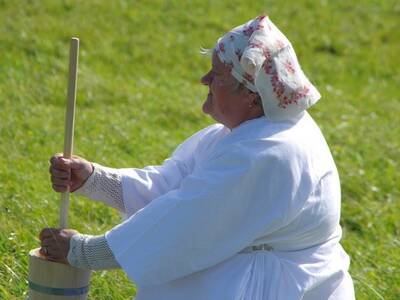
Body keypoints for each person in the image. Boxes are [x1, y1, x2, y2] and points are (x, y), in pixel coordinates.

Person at [41, 15, 355, 299]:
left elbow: (184, 224)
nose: (204, 80)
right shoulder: (250, 131)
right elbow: (175, 185)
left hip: (278, 287)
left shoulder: (268, 153)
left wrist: (82, 252)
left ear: (251, 95)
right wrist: (95, 178)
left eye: (216, 75)